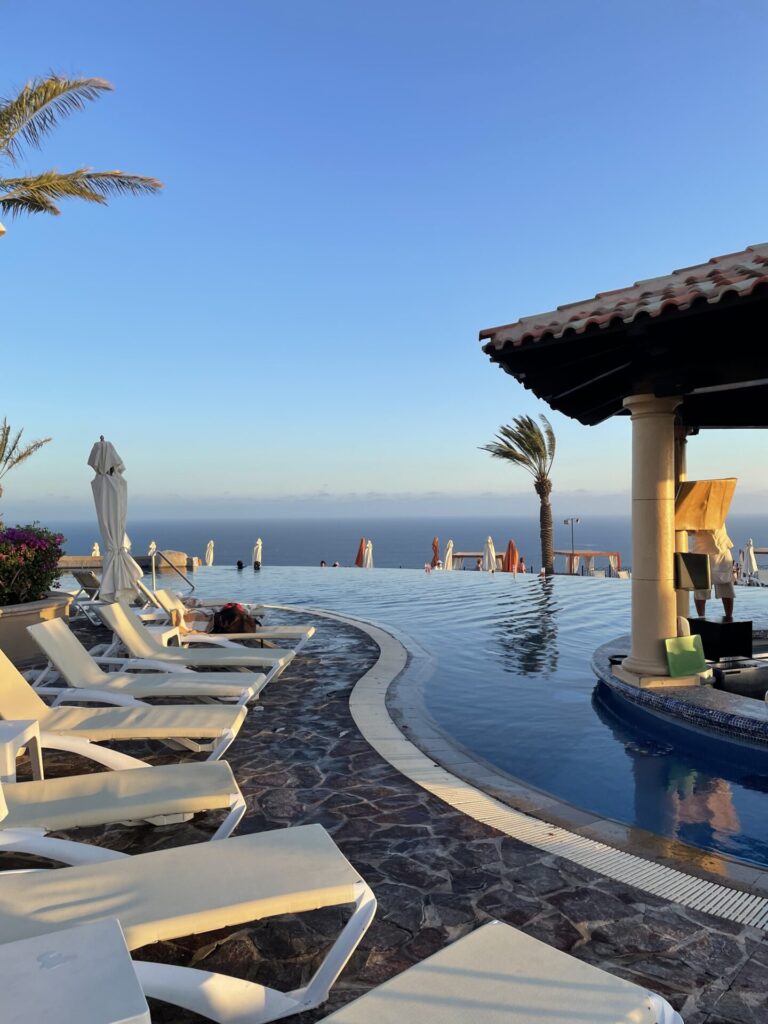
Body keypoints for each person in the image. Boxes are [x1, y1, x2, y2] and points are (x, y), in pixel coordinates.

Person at [689, 525, 735, 620]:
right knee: (700, 588)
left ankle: (729, 617)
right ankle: (701, 618)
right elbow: (692, 530)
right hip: (702, 551)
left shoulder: (716, 511)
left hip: (721, 551)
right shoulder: (694, 512)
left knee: (726, 586)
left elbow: (693, 530)